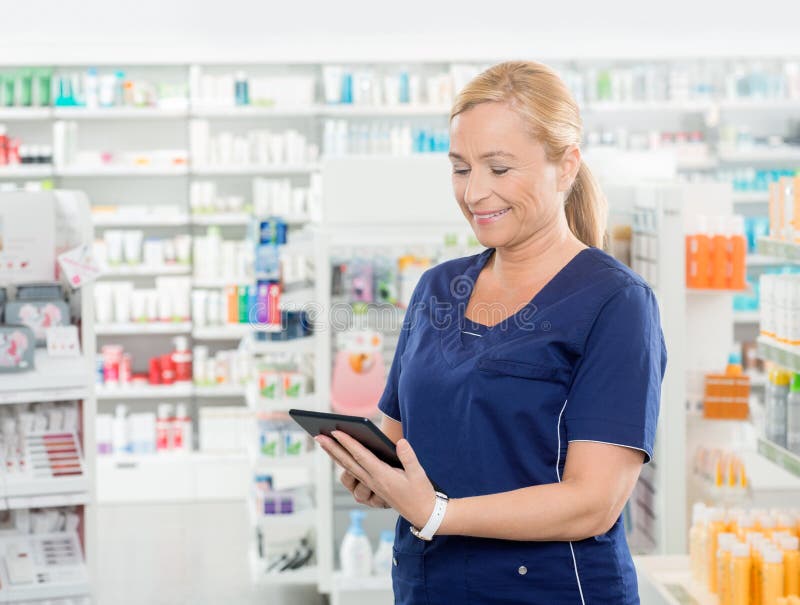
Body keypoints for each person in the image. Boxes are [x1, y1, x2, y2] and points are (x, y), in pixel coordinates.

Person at [316, 60, 667, 605]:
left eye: (499, 169)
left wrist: (438, 513)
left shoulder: (615, 302)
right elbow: (399, 440)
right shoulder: (437, 289)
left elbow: (594, 502)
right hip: (429, 587)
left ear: (566, 166)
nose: (475, 192)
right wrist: (379, 477)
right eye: (461, 169)